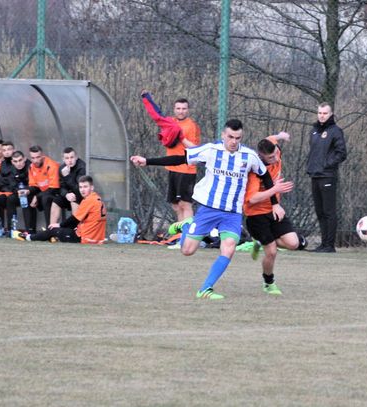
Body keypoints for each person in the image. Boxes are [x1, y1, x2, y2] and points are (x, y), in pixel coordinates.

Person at [131, 119, 294, 300]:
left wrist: (275, 203)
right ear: (223, 135)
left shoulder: (249, 156)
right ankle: (186, 226)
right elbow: (180, 158)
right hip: (209, 209)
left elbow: (266, 177)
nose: (233, 141)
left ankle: (205, 289)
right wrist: (147, 161)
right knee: (187, 251)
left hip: (232, 213)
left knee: (229, 248)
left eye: (237, 138)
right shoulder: (210, 150)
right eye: (230, 137)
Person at [243, 135, 307, 296]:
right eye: (270, 157)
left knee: (293, 243)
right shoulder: (254, 172)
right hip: (256, 215)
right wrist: (275, 190)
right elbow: (252, 198)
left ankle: (260, 241)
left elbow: (270, 139)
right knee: (271, 252)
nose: (275, 159)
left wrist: (280, 136)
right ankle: (268, 283)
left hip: (274, 210)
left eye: (275, 155)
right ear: (260, 156)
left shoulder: (275, 152)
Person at [141, 90, 201, 222]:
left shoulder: (192, 126)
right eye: (178, 108)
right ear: (174, 109)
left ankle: (187, 232)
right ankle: (180, 232)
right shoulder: (171, 123)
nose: (181, 111)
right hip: (172, 168)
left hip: (186, 169)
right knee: (176, 206)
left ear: (188, 110)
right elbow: (157, 115)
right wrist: (147, 99)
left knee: (185, 204)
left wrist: (181, 138)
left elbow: (195, 149)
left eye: (184, 109)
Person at [15, 175, 106, 244]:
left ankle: (28, 237)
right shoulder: (98, 198)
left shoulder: (88, 200)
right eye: (81, 187)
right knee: (61, 229)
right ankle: (50, 234)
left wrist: (58, 225)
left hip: (85, 238)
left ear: (92, 187)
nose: (82, 190)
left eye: (85, 187)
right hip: (98, 239)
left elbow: (74, 220)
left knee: (53, 230)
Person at [306, 102, 347, 253]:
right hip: (315, 175)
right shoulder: (314, 131)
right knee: (320, 211)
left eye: (325, 113)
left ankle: (330, 245)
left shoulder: (335, 131)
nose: (322, 116)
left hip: (327, 176)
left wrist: (327, 164)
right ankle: (323, 244)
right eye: (320, 113)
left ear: (331, 114)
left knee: (329, 211)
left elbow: (341, 153)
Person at [0, 150, 30, 236]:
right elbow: (12, 185)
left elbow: (34, 183)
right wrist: (18, 191)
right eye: (15, 161)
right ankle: (10, 229)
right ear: (12, 162)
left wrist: (28, 190)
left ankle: (29, 230)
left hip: (31, 193)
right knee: (9, 199)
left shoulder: (30, 167)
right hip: (18, 193)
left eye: (20, 160)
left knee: (25, 199)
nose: (18, 163)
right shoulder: (11, 170)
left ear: (24, 159)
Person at [25, 145, 60, 233]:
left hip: (55, 193)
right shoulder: (31, 167)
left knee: (45, 198)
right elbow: (34, 185)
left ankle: (50, 230)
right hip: (42, 193)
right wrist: (28, 191)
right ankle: (30, 231)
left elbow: (54, 188)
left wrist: (37, 196)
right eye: (33, 158)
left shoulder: (51, 165)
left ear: (42, 155)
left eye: (38, 157)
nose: (35, 160)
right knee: (26, 198)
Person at [49, 147, 86, 224]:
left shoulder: (81, 167)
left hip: (81, 196)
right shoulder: (62, 168)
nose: (70, 160)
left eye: (72, 157)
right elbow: (61, 187)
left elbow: (79, 190)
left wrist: (67, 177)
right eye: (67, 158)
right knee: (56, 201)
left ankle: (76, 228)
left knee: (74, 199)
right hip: (69, 194)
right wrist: (66, 194)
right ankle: (52, 228)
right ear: (63, 159)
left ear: (76, 157)